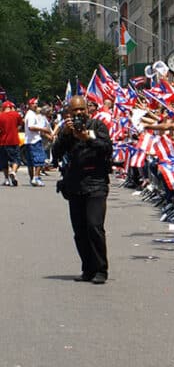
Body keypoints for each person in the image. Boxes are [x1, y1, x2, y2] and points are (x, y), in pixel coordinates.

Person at [51, 95, 114, 284]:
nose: (79, 114)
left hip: (96, 184)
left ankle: (101, 270)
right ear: (69, 113)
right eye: (75, 111)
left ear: (88, 110)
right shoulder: (66, 131)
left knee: (94, 226)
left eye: (82, 110)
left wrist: (88, 138)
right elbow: (56, 154)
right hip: (75, 185)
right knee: (80, 230)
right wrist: (66, 135)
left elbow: (107, 148)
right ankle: (88, 269)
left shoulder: (97, 126)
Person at [23, 98, 52, 186]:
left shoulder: (31, 114)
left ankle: (33, 179)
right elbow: (31, 127)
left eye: (36, 104)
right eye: (34, 104)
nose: (36, 105)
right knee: (39, 160)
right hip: (34, 140)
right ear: (29, 105)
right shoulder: (31, 115)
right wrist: (43, 129)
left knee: (31, 162)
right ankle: (35, 178)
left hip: (29, 140)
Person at [0, 101, 21, 186]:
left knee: (4, 162)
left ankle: (6, 179)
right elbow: (20, 125)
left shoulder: (0, 116)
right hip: (13, 141)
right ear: (11, 107)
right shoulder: (16, 115)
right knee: (16, 159)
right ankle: (13, 172)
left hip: (2, 142)